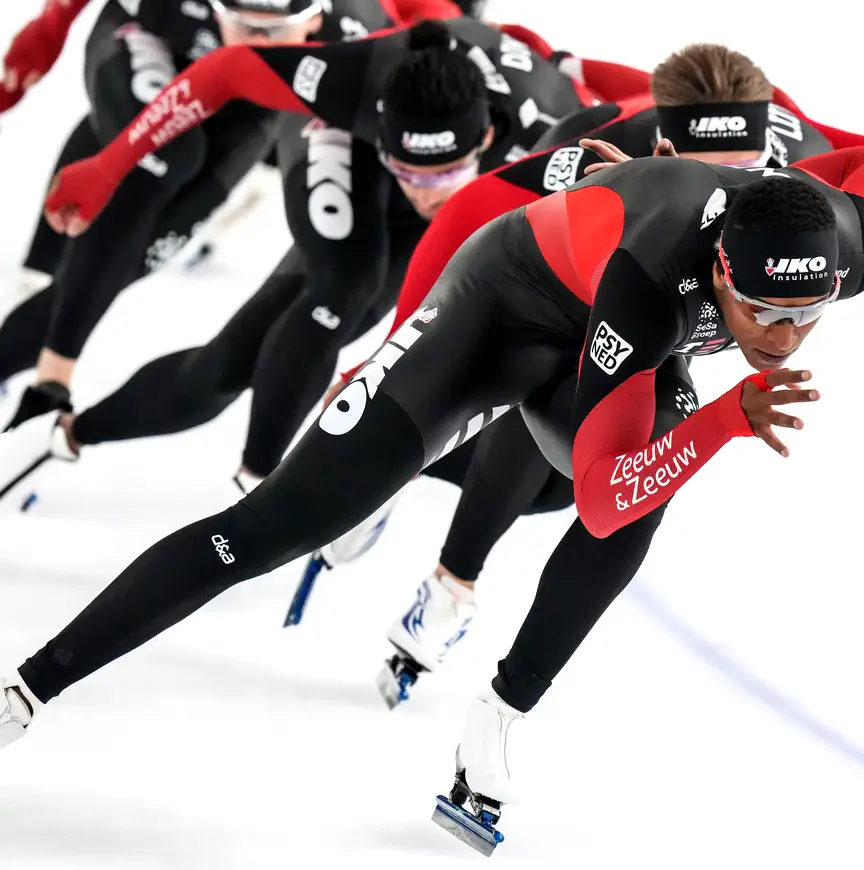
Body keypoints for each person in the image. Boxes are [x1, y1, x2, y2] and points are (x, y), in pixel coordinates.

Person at [4, 65, 864, 849]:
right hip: (499, 314)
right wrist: (724, 423)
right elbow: (601, 493)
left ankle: (497, 716)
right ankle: (27, 688)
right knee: (263, 533)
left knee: (639, 495)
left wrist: (708, 415)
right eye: (760, 311)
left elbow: (614, 501)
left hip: (623, 333)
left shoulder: (837, 245)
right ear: (719, 270)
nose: (784, 340)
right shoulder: (656, 275)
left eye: (808, 315)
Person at [292, 40, 864, 706]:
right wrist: (387, 357)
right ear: (665, 156)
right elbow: (470, 208)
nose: (728, 195)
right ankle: (452, 585)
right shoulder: (595, 148)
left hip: (674, 313)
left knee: (564, 492)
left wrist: (562, 59)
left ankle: (412, 482)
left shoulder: (795, 156)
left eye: (747, 173)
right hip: (574, 292)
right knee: (553, 413)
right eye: (708, 174)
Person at [0, 15, 601, 504]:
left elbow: (652, 102)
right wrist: (109, 165)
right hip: (349, 139)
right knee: (345, 281)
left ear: (487, 140)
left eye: (443, 171)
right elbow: (228, 70)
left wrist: (575, 64)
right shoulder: (350, 81)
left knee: (226, 367)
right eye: (407, 169)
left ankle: (63, 436)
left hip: (474, 168)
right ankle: (256, 485)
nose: (423, 190)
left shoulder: (557, 138)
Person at [0, 0, 440, 463]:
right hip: (153, 41)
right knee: (166, 155)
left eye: (272, 32)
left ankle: (33, 335)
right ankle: (52, 370)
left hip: (244, 104)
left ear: (314, 20)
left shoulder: (358, 30)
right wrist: (46, 32)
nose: (255, 42)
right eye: (242, 23)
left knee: (133, 258)